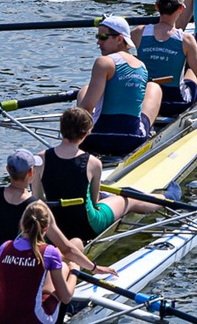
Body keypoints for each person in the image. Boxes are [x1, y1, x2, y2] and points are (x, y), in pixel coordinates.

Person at [38, 106, 142, 258]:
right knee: (129, 199)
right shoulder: (93, 163)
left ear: (61, 129)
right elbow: (94, 201)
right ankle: (164, 199)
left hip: (54, 227)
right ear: (86, 134)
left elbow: (38, 200)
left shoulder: (40, 159)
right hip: (87, 226)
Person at [0, 200, 77, 324]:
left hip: (1, 321)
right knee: (64, 268)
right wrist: (74, 271)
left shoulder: (4, 248)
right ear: (46, 229)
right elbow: (66, 297)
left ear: (22, 224)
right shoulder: (49, 252)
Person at [77, 15, 160, 158]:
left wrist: (71, 142)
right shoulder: (142, 66)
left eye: (103, 37)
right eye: (97, 37)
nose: (98, 42)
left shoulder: (104, 62)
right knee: (154, 88)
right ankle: (150, 132)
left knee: (84, 90)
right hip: (133, 140)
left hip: (98, 139)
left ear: (120, 39)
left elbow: (87, 108)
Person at [135, 0, 197, 121]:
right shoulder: (186, 39)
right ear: (181, 8)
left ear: (157, 7)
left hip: (144, 101)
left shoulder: (138, 33)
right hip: (175, 104)